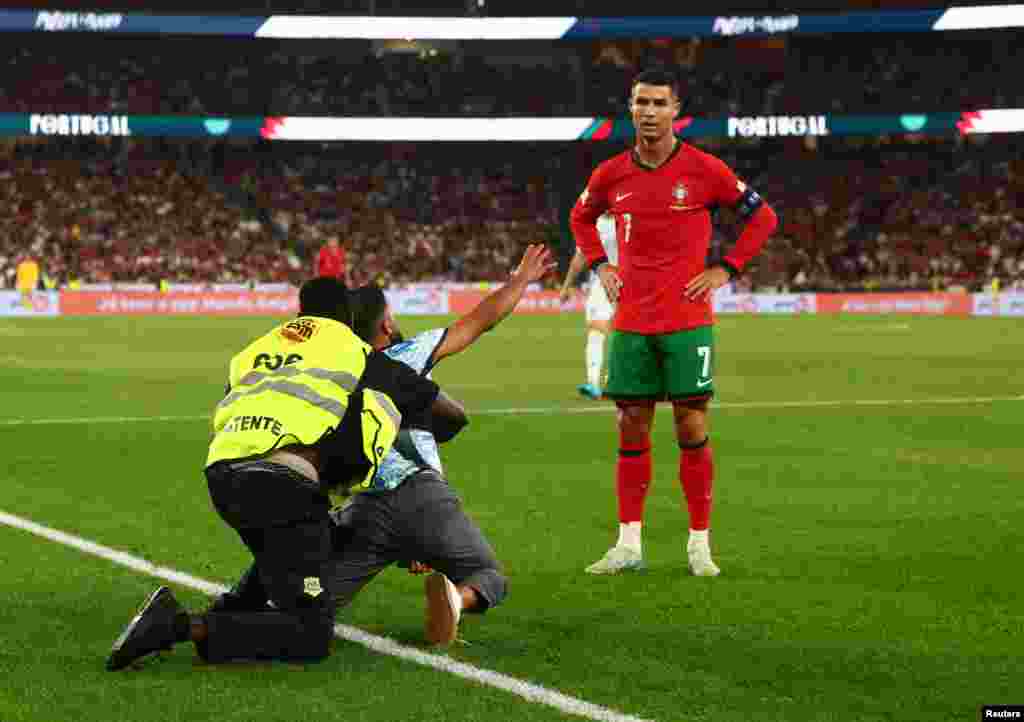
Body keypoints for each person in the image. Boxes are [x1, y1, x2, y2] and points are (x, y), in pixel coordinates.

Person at [208, 244, 557, 646]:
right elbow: (478, 322)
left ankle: (239, 610)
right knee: (489, 576)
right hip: (422, 495)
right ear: (385, 328)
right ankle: (456, 600)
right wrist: (520, 281)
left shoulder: (326, 369)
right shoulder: (403, 357)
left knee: (309, 602)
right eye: (390, 317)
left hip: (362, 509)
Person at [106, 277, 450, 670]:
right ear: (347, 317)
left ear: (300, 311)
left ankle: (231, 608)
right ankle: (177, 626)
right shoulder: (356, 350)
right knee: (311, 635)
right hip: (282, 485)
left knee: (305, 538)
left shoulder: (255, 349)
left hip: (222, 475)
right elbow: (450, 414)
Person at [569, 68, 778, 577]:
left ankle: (699, 544)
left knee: (691, 422)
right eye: (641, 102)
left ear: (675, 111)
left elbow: (764, 217)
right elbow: (579, 218)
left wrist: (725, 269)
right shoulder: (610, 174)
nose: (648, 112)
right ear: (630, 108)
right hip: (632, 321)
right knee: (630, 423)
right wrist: (601, 264)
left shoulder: (705, 169)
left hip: (687, 320)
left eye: (659, 103)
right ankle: (629, 545)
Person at [559, 213, 618, 399]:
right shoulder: (596, 223)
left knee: (630, 333)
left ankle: (616, 381)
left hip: (632, 279)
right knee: (596, 330)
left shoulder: (631, 215)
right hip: (602, 280)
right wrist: (567, 285)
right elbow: (581, 257)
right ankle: (593, 383)